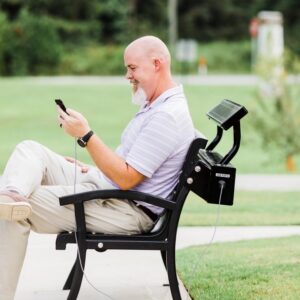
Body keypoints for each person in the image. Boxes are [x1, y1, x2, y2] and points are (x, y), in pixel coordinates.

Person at [0, 35, 195, 299]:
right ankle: (12, 192)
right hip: (108, 188)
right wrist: (93, 169)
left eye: (133, 68)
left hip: (125, 208)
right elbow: (127, 168)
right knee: (30, 150)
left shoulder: (166, 117)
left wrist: (86, 136)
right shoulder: (156, 105)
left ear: (157, 64)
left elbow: (127, 179)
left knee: (12, 211)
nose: (128, 75)